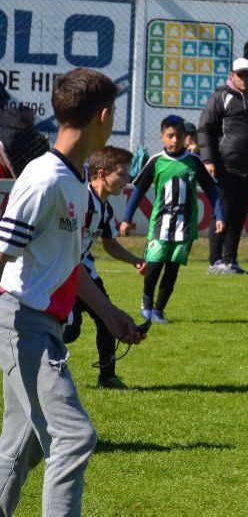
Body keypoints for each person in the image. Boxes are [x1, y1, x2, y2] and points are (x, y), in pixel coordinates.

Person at [0, 68, 146, 516]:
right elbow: (2, 252)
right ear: (104, 116)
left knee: (21, 445)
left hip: (43, 322)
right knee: (74, 436)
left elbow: (68, 265)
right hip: (22, 322)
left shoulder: (77, 179)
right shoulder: (44, 179)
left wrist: (107, 312)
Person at [120, 115, 225, 324]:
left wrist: (219, 215)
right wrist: (126, 218)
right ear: (162, 137)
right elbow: (138, 191)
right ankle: (147, 300)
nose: (174, 140)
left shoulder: (194, 161)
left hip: (185, 227)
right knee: (154, 265)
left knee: (172, 268)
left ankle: (159, 311)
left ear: (185, 137)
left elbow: (212, 190)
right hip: (160, 225)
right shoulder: (156, 161)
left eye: (178, 136)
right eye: (170, 136)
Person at [64, 146, 147, 389]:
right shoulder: (79, 199)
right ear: (101, 174)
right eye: (122, 174)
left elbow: (110, 245)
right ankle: (42, 362)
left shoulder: (105, 208)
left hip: (87, 273)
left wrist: (135, 260)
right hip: (66, 274)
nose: (127, 180)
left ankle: (107, 375)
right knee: (71, 329)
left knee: (106, 320)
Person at [199, 57, 248, 275]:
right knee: (222, 213)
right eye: (241, 74)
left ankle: (230, 260)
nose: (245, 78)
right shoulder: (221, 97)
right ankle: (215, 261)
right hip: (224, 166)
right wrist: (208, 160)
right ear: (232, 75)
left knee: (239, 214)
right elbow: (205, 129)